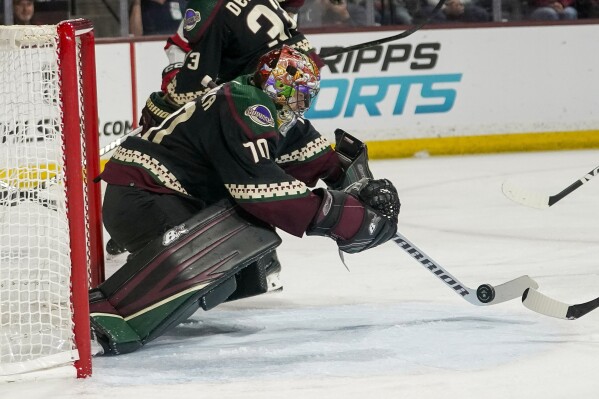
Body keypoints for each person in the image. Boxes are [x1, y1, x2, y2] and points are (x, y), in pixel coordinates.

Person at [90, 45, 400, 355]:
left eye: (308, 94)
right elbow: (259, 191)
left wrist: (365, 191)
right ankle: (112, 313)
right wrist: (344, 218)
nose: (303, 102)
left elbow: (322, 161)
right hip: (140, 197)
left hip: (159, 196)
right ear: (278, 85)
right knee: (216, 255)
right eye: (299, 92)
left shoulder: (274, 111)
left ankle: (144, 272)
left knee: (240, 272)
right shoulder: (246, 105)